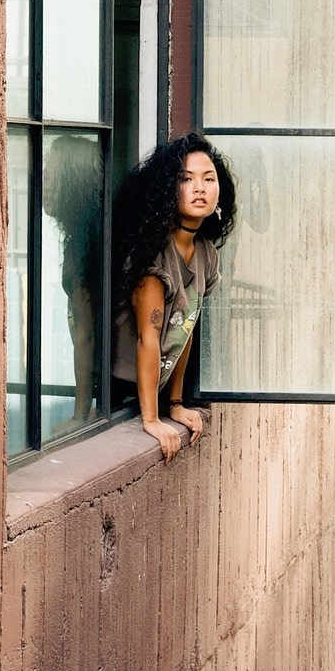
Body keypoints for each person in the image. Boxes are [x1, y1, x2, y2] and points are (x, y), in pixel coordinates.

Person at [110, 132, 237, 463]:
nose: (199, 188)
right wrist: (152, 420)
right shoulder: (153, 257)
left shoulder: (206, 253)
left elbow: (185, 328)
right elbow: (147, 339)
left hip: (158, 392)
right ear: (168, 190)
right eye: (186, 179)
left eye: (209, 179)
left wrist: (176, 404)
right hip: (122, 397)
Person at [43, 135, 103, 430]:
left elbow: (86, 336)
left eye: (53, 176)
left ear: (73, 184)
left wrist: (80, 416)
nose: (44, 184)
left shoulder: (84, 245)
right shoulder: (86, 233)